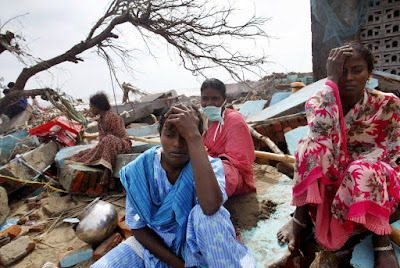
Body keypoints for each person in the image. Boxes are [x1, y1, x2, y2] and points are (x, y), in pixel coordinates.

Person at [276, 43, 400, 267]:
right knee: (308, 147)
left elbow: (394, 156)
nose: (349, 77)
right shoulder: (318, 101)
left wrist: (363, 167)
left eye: (357, 70)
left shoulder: (388, 105)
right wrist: (330, 82)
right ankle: (299, 220)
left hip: (373, 181)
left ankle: (382, 242)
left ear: (368, 73)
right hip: (334, 177)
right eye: (341, 71)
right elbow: (319, 135)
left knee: (362, 170)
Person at [91, 103, 256, 267]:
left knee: (209, 217)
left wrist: (194, 137)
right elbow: (137, 225)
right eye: (169, 135)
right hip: (157, 247)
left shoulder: (210, 167)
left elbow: (210, 208)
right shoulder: (139, 170)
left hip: (199, 246)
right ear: (160, 134)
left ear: (198, 137)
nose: (177, 144)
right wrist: (179, 264)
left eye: (185, 136)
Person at [200, 78, 256, 197]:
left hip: (231, 170)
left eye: (215, 99)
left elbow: (238, 158)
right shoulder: (201, 119)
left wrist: (210, 162)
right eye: (205, 99)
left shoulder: (234, 120)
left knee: (222, 175)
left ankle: (211, 202)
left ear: (224, 100)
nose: (209, 103)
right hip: (205, 165)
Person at [70, 92, 131, 189]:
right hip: (109, 144)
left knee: (109, 139)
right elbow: (102, 139)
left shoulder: (111, 117)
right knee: (85, 153)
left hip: (122, 144)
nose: (91, 109)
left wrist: (104, 143)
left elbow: (115, 136)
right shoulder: (100, 120)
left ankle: (107, 172)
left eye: (92, 106)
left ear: (98, 106)